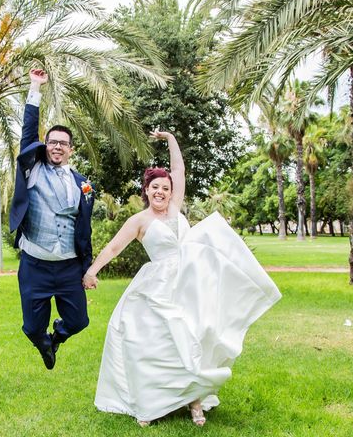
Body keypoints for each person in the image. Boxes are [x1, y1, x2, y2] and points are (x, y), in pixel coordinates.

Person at [85, 130, 282, 426]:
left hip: (192, 281)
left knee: (196, 338)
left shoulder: (176, 208)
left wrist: (170, 139)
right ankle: (151, 403)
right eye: (155, 187)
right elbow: (114, 247)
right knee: (156, 343)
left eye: (165, 187)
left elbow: (179, 169)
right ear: (147, 191)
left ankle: (195, 402)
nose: (161, 192)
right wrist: (91, 271)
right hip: (159, 285)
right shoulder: (139, 221)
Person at [9, 69, 97, 370]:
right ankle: (43, 342)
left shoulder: (82, 184)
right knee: (32, 327)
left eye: (63, 143)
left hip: (69, 266)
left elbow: (84, 230)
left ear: (71, 150)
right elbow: (28, 134)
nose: (57, 146)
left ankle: (57, 336)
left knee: (79, 321)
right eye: (53, 142)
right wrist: (35, 87)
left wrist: (88, 268)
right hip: (36, 265)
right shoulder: (33, 169)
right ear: (45, 146)